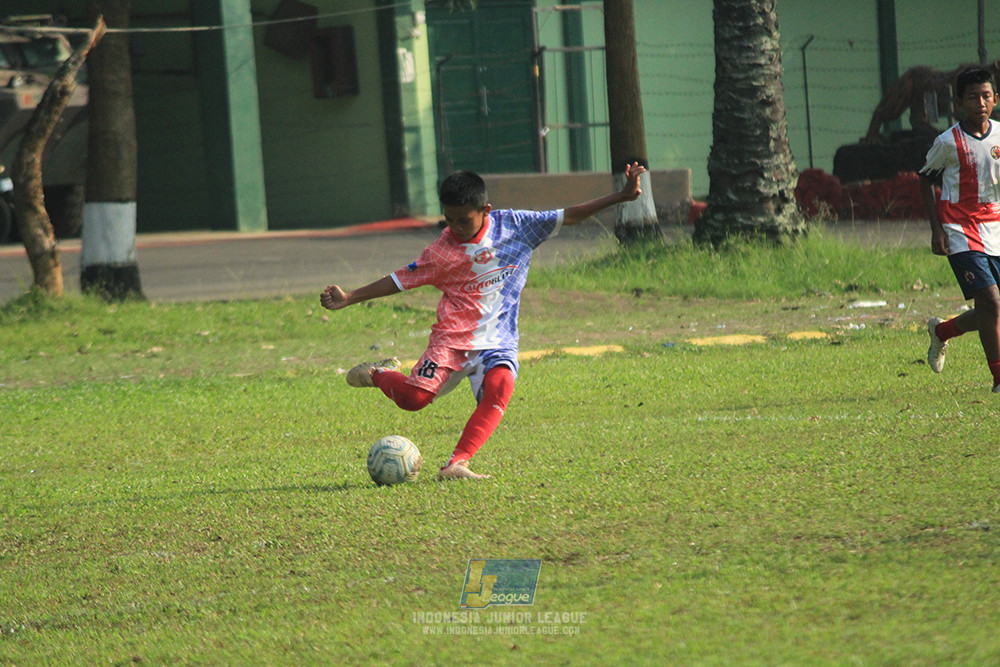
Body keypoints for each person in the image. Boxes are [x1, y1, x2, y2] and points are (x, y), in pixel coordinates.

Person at [321, 163, 648, 479]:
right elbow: (398, 280)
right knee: (413, 400)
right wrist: (350, 297)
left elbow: (571, 214)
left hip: (498, 340)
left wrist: (621, 196)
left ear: (486, 210)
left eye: (464, 220)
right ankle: (378, 373)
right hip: (452, 341)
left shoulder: (517, 226)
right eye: (449, 220)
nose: (456, 228)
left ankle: (456, 464)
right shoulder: (441, 251)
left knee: (501, 385)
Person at [919, 66, 1000, 393]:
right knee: (992, 301)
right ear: (959, 102)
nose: (980, 103)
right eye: (972, 97)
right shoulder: (947, 142)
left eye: (986, 96)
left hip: (995, 226)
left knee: (991, 307)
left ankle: (942, 332)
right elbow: (925, 179)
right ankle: (998, 377)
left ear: (995, 99)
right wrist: (937, 230)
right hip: (959, 228)